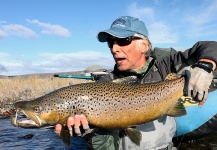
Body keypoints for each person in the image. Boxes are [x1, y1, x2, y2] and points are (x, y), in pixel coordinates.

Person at [55, 16, 217, 150]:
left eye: (123, 40)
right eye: (111, 43)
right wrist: (91, 131)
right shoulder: (106, 83)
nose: (114, 48)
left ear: (144, 44)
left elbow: (209, 46)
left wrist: (205, 65)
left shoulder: (164, 66)